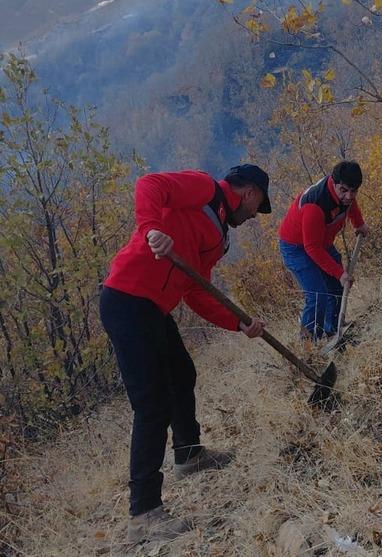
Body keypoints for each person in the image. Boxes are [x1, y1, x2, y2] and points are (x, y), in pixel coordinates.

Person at [100, 165, 271, 545]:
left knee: (182, 374)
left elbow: (196, 291)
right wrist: (151, 230)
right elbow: (149, 184)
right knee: (152, 405)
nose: (256, 214)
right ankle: (144, 514)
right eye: (259, 205)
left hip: (153, 308)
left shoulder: (219, 233)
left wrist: (237, 323)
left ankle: (189, 455)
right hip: (128, 299)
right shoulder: (205, 189)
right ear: (250, 192)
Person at [278, 161, 369, 342]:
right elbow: (312, 248)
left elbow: (350, 205)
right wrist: (339, 272)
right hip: (296, 248)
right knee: (318, 294)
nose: (349, 196)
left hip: (321, 241)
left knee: (336, 286)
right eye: (344, 190)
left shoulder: (345, 193)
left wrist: (358, 223)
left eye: (354, 191)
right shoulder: (314, 206)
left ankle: (333, 331)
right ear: (334, 183)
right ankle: (309, 344)